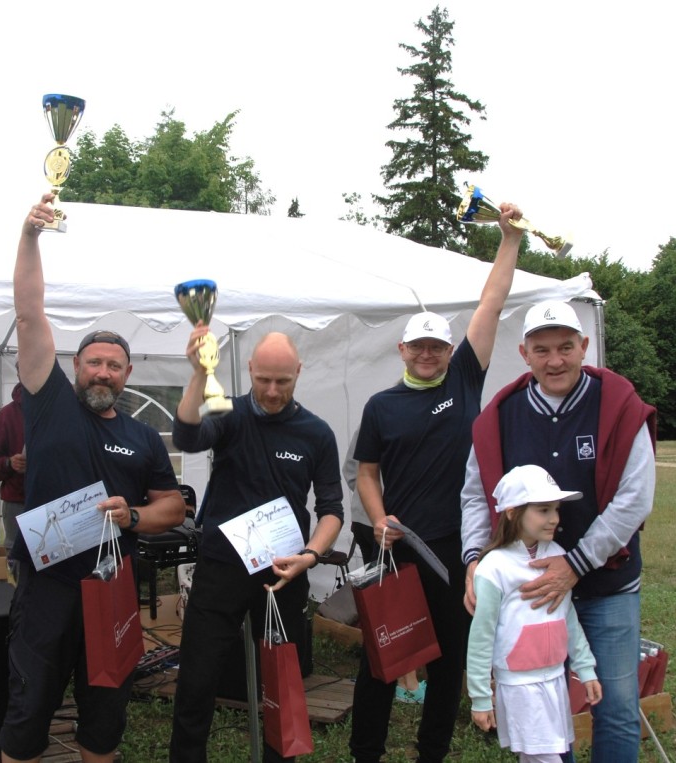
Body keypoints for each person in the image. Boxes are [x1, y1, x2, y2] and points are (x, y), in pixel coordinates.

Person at [3, 196, 186, 763]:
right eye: (93, 362)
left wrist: (132, 516)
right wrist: (30, 237)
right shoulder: (48, 402)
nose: (102, 371)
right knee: (29, 709)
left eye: (114, 365)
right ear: (75, 367)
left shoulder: (144, 436)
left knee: (105, 713)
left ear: (128, 375)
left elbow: (173, 506)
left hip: (113, 588)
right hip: (47, 585)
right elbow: (31, 314)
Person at [348, 202, 525, 763]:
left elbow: (491, 304)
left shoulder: (465, 380)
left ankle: (432, 753)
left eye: (437, 346)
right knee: (385, 655)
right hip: (398, 549)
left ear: (451, 352)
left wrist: (509, 241)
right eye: (418, 346)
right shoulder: (381, 406)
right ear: (402, 350)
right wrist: (378, 518)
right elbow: (366, 474)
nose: (428, 354)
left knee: (449, 657)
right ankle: (366, 753)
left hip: (455, 547)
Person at [462, 299, 656, 762]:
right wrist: (474, 560)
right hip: (530, 593)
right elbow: (476, 493)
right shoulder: (501, 415)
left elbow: (635, 498)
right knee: (541, 703)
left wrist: (576, 563)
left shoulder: (617, 404)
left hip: (607, 584)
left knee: (616, 705)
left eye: (566, 347)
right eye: (542, 349)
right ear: (524, 352)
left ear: (584, 346)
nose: (555, 360)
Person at [168, 325, 343, 763]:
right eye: (263, 379)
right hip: (222, 567)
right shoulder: (228, 413)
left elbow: (331, 509)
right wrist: (197, 374)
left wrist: (310, 556)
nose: (270, 390)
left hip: (283, 572)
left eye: (282, 381)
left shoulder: (315, 432)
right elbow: (187, 438)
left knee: (283, 683)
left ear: (299, 373)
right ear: (249, 369)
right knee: (197, 681)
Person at [467, 465, 602, 763]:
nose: (554, 518)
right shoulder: (493, 567)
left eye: (555, 509)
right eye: (543, 510)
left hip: (555, 680)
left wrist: (586, 667)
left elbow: (568, 618)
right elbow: (481, 635)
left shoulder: (557, 557)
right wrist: (479, 696)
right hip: (519, 687)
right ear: (513, 512)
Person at [343, 427, 425, 704]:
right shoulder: (383, 415)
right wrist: (375, 504)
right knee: (396, 597)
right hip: (384, 524)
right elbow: (354, 471)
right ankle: (406, 680)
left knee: (384, 596)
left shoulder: (377, 414)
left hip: (374, 521)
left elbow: (350, 469)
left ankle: (392, 671)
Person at [0, 361, 26, 560]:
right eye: (25, 369)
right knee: (17, 559)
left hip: (55, 500)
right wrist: (10, 463)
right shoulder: (6, 416)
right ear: (19, 374)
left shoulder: (61, 410)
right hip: (18, 502)